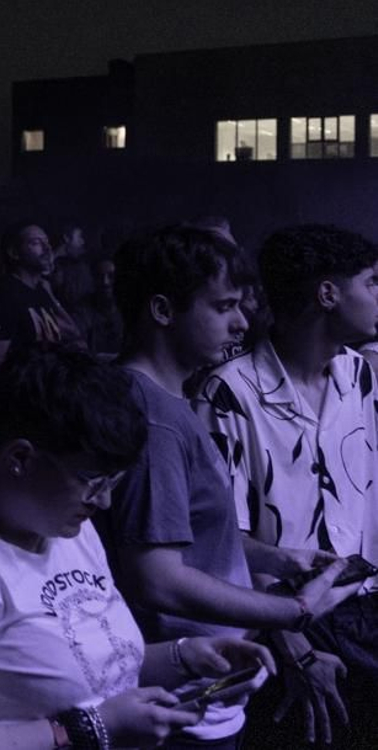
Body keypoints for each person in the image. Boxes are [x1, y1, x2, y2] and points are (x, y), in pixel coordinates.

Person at [0, 345, 274, 750]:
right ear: (20, 458)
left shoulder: (66, 527)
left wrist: (185, 656)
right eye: (93, 480)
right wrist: (91, 728)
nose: (105, 501)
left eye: (114, 482)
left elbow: (97, 669)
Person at [103, 226, 361, 748]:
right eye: (224, 307)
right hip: (178, 699)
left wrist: (278, 559)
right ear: (162, 310)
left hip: (205, 688)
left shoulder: (167, 402)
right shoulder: (155, 419)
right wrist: (293, 613)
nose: (242, 322)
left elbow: (189, 536)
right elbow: (157, 579)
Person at [196, 224, 378, 736]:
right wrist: (294, 645)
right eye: (372, 282)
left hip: (366, 609)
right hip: (290, 626)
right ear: (328, 294)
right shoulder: (229, 393)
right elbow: (221, 543)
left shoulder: (359, 375)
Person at [0, 222, 82, 362]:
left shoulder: (40, 290)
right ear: (14, 253)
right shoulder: (3, 295)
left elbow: (73, 332)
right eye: (36, 243)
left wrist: (51, 296)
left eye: (47, 242)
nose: (47, 248)